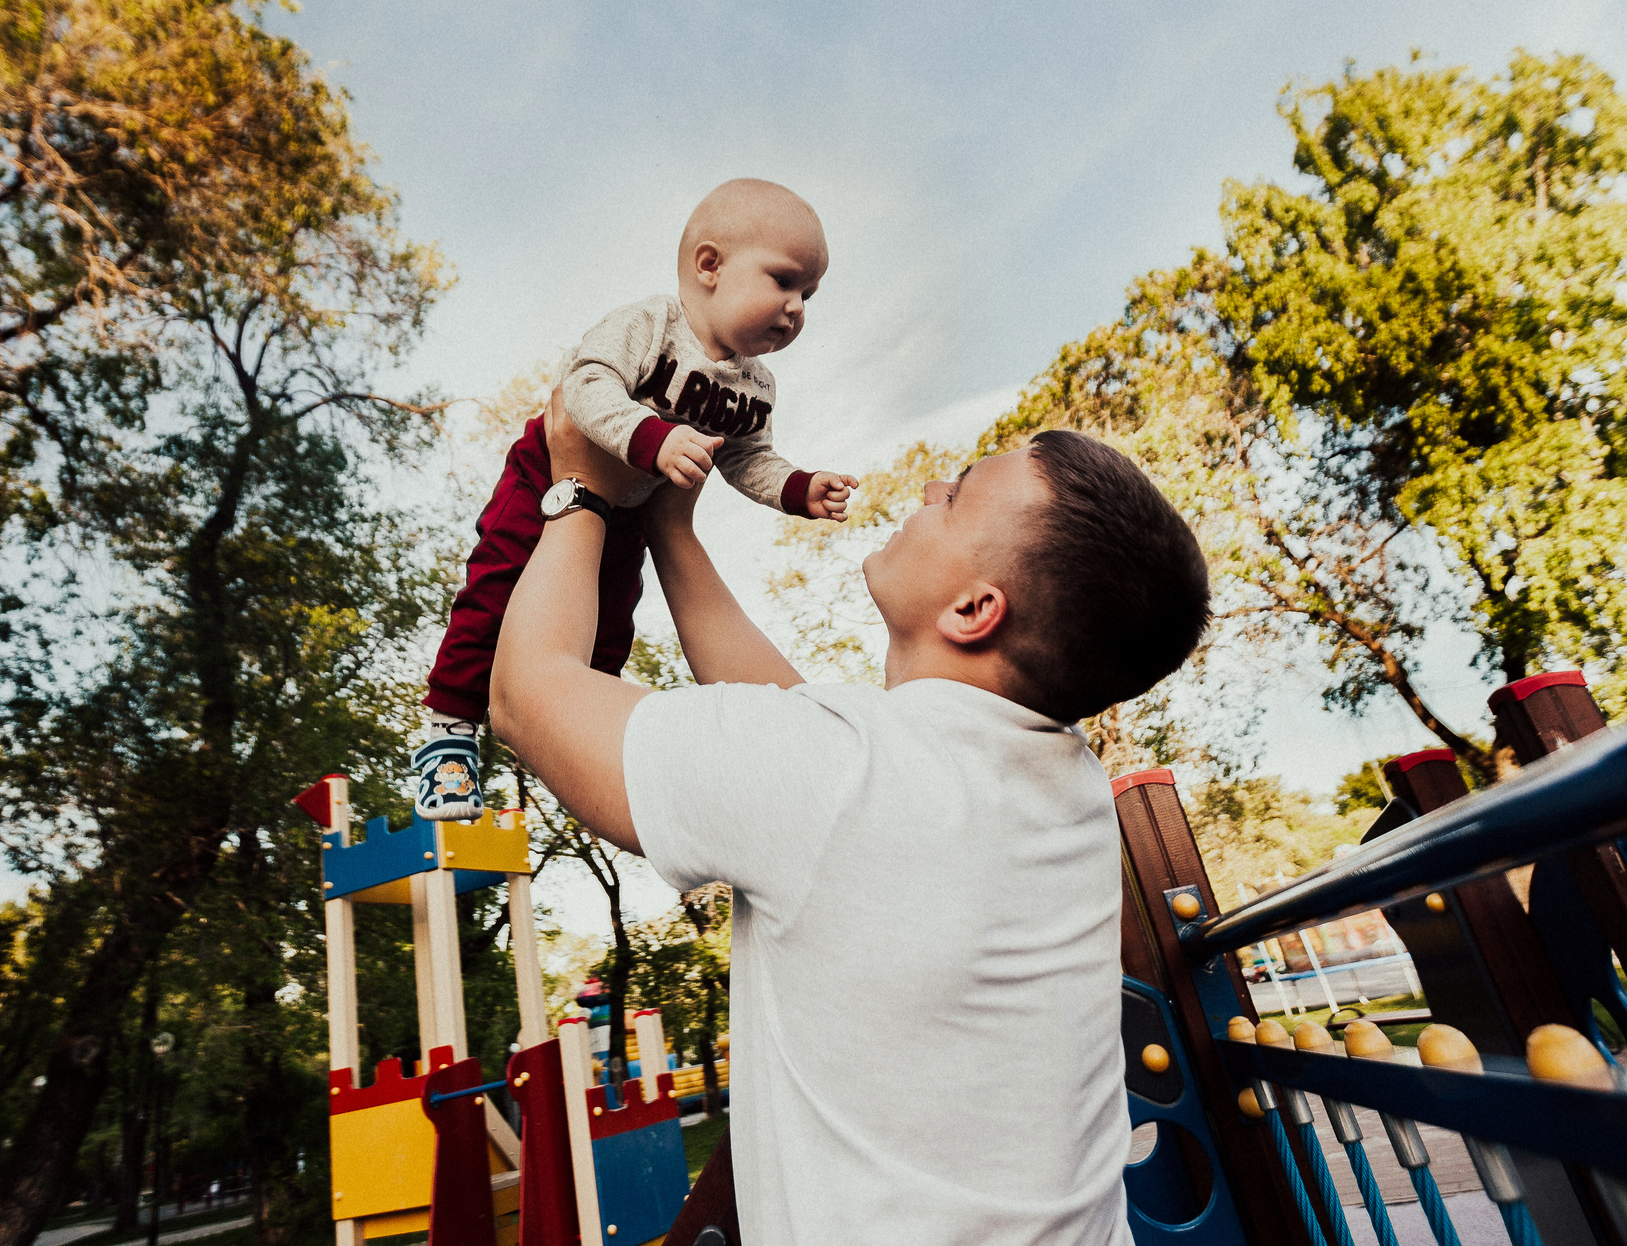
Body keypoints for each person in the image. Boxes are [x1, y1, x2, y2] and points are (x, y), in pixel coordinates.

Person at [492, 394, 1209, 1246]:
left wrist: (578, 483)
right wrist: (672, 530)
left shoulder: (839, 778)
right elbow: (801, 734)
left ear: (976, 610)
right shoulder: (1064, 784)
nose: (933, 484)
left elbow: (527, 694)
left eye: (957, 493)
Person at [411, 178, 858, 818]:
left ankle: (570, 726)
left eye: (809, 295)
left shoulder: (755, 386)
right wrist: (652, 440)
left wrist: (797, 489)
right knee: (495, 590)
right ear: (710, 266)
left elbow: (747, 457)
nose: (796, 308)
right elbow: (586, 384)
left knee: (609, 621)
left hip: (628, 514)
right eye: (784, 281)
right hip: (546, 476)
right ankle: (449, 730)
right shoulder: (649, 325)